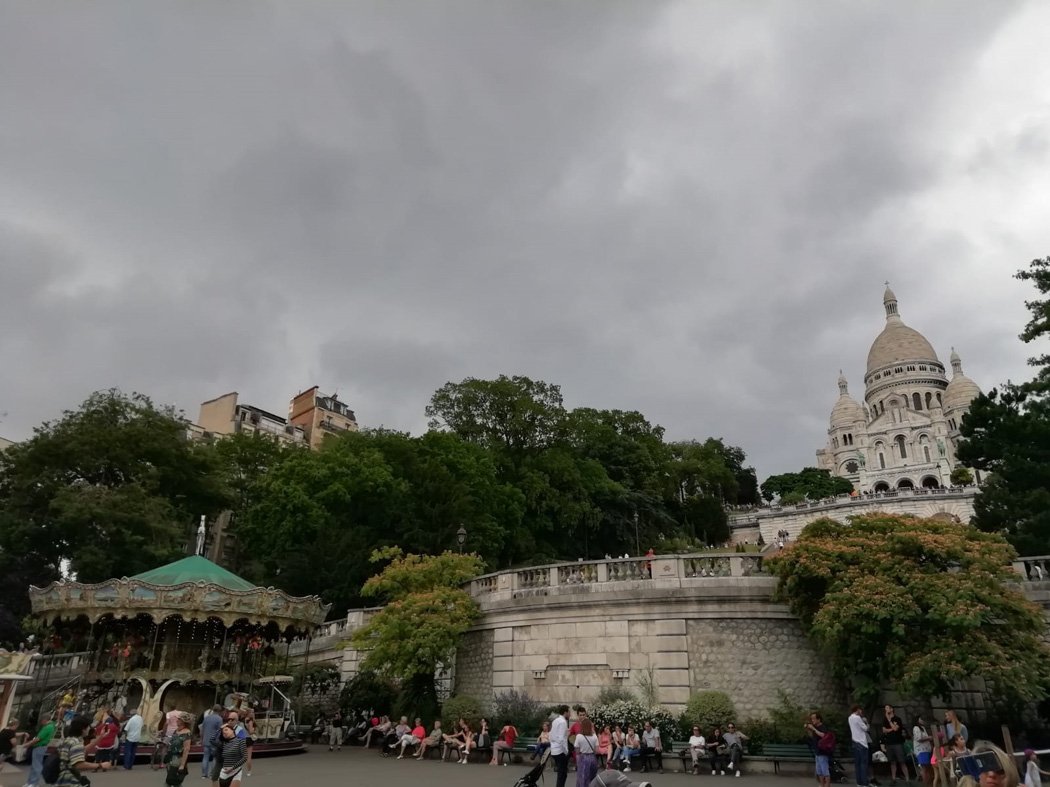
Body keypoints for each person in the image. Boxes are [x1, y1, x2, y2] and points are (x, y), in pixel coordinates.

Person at [55, 715, 108, 787]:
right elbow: (79, 765)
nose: (89, 728)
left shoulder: (68, 741)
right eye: (88, 726)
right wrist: (100, 765)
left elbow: (82, 750)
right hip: (70, 782)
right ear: (82, 729)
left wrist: (100, 737)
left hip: (62, 779)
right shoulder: (76, 743)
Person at [24, 712, 56, 787]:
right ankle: (30, 782)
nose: (41, 722)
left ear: (45, 720)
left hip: (40, 746)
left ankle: (34, 783)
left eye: (41, 720)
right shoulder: (47, 726)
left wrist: (28, 744)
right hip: (38, 747)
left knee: (36, 766)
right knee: (34, 765)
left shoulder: (48, 727)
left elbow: (38, 738)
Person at [882, 704, 908, 785]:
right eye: (885, 708)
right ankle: (893, 778)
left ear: (891, 709)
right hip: (889, 742)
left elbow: (896, 729)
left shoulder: (897, 719)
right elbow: (884, 730)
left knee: (902, 761)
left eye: (887, 708)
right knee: (892, 762)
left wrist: (890, 721)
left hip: (897, 742)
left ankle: (907, 779)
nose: (886, 710)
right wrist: (891, 728)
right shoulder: (884, 720)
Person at [165, 713, 193, 787]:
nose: (176, 720)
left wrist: (182, 765)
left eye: (178, 719)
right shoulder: (176, 730)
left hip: (178, 758)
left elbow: (186, 749)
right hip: (171, 757)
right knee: (174, 781)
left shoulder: (186, 733)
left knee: (170, 781)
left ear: (183, 721)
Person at [805, 713, 833, 787]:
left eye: (814, 719)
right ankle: (822, 784)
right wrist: (808, 730)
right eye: (811, 719)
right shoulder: (815, 728)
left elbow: (823, 735)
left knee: (824, 770)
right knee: (819, 771)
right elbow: (812, 737)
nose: (812, 720)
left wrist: (814, 729)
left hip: (823, 751)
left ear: (819, 719)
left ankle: (828, 785)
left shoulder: (823, 727)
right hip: (817, 751)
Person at [200, 706, 224, 780]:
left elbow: (202, 729)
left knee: (205, 757)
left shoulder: (206, 718)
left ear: (213, 710)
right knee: (215, 757)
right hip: (214, 741)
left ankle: (204, 774)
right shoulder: (219, 719)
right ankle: (212, 773)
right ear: (219, 711)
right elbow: (220, 731)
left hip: (206, 740)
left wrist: (202, 739)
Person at [575, 719, 600, 787]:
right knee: (592, 777)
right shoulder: (594, 736)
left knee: (582, 777)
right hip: (592, 757)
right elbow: (597, 750)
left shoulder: (579, 736)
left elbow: (577, 750)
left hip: (583, 757)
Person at [850, 706, 871, 787]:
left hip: (855, 741)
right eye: (860, 710)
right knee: (863, 763)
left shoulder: (850, 718)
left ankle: (859, 782)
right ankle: (864, 782)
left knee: (858, 763)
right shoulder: (858, 718)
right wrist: (867, 725)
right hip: (862, 742)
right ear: (857, 710)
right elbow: (865, 728)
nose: (861, 712)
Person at [552, 705, 571, 787]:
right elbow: (561, 738)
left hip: (554, 750)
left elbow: (551, 735)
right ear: (565, 712)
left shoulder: (555, 721)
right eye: (569, 712)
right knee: (562, 774)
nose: (570, 714)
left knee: (561, 774)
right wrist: (566, 751)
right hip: (561, 751)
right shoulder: (563, 722)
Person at [913, 715, 934, 787]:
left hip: (926, 749)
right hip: (921, 750)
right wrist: (928, 738)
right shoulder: (916, 728)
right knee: (924, 768)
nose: (922, 720)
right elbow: (919, 738)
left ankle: (929, 782)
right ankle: (926, 784)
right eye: (921, 719)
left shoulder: (923, 728)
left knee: (928, 767)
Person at [242, 709, 256, 777]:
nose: (253, 714)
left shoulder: (243, 720)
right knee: (248, 756)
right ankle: (249, 771)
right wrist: (254, 731)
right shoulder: (250, 721)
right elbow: (250, 731)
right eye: (252, 712)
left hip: (242, 738)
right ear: (249, 713)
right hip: (248, 739)